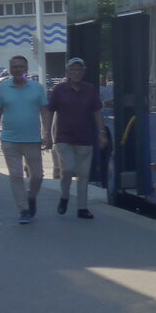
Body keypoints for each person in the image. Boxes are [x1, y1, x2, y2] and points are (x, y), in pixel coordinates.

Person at [0, 55, 52, 224]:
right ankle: (23, 209)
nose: (18, 69)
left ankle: (31, 197)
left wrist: (47, 133)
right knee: (16, 176)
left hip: (32, 139)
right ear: (10, 70)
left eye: (21, 67)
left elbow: (45, 111)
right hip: (10, 140)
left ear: (26, 69)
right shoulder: (2, 88)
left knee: (37, 175)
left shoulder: (37, 88)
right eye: (15, 67)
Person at [49, 57, 107, 219]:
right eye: (73, 70)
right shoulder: (59, 90)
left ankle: (82, 208)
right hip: (63, 137)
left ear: (83, 72)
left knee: (83, 175)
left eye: (79, 70)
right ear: (67, 72)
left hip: (85, 138)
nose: (76, 73)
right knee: (68, 169)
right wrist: (46, 133)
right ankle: (65, 196)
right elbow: (50, 110)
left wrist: (101, 132)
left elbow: (97, 112)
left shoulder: (90, 89)